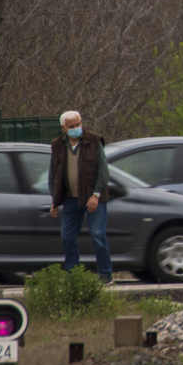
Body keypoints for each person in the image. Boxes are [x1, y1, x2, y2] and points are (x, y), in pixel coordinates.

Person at [48, 110, 114, 283]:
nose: (76, 128)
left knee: (97, 235)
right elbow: (54, 173)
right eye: (72, 126)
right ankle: (73, 274)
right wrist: (54, 200)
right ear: (64, 128)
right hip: (70, 198)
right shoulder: (57, 145)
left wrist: (96, 195)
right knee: (67, 237)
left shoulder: (93, 141)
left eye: (78, 124)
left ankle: (105, 274)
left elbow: (103, 171)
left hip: (93, 197)